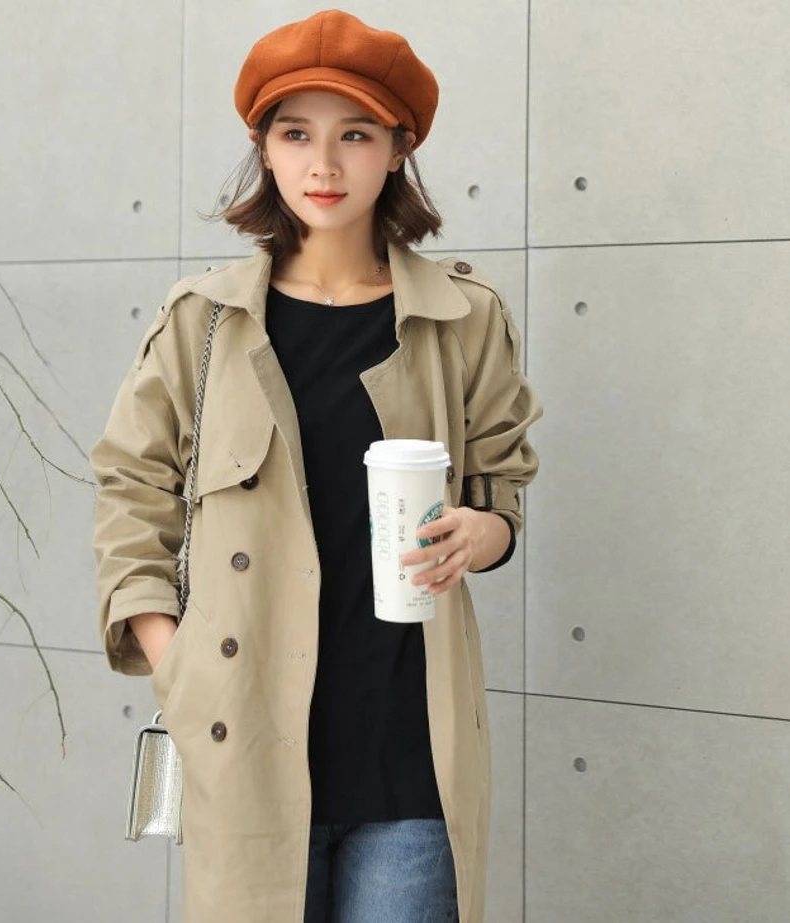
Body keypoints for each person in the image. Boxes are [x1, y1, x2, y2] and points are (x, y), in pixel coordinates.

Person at [91, 9, 541, 923]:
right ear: (264, 148)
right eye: (296, 134)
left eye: (356, 135)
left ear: (399, 148)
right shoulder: (203, 321)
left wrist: (481, 533)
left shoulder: (464, 317)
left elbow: (502, 485)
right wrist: (176, 662)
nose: (324, 165)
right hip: (246, 741)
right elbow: (132, 492)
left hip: (412, 759)